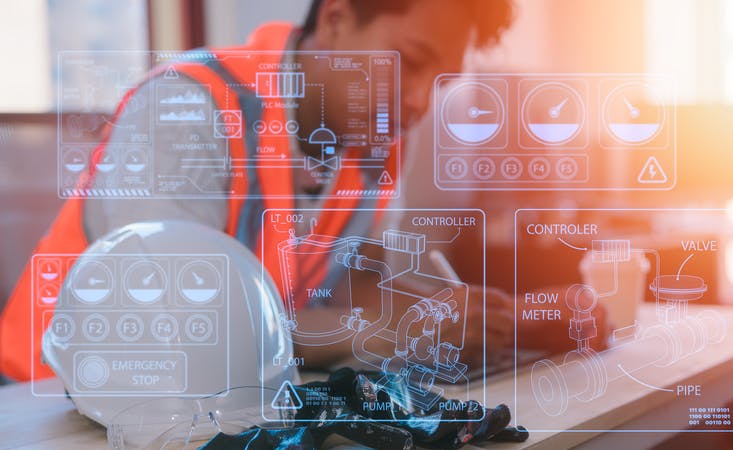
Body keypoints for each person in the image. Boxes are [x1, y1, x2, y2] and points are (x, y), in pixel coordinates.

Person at [0, 0, 516, 381]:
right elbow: (178, 327)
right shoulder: (184, 110)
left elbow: (346, 281)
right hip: (46, 403)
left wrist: (464, 317)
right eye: (408, 60)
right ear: (336, 20)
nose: (422, 101)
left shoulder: (370, 140)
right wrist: (383, 333)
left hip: (216, 404)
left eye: (443, 82)